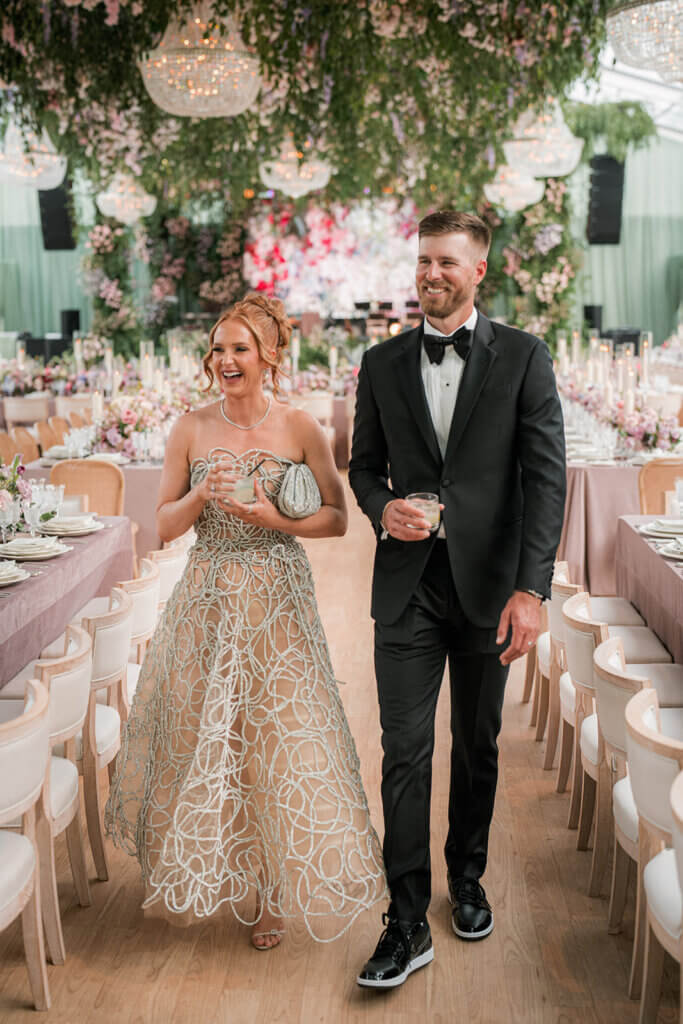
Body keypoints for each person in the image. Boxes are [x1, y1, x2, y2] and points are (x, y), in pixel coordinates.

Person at [105, 292, 386, 950]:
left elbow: (337, 519)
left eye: (239, 348)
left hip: (276, 599)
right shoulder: (190, 427)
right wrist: (203, 490)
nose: (224, 359)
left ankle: (269, 894)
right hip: (206, 595)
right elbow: (163, 526)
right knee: (207, 735)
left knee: (270, 742)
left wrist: (268, 517)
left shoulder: (299, 427)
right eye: (218, 348)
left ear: (269, 358)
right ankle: (202, 865)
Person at [349, 211, 566, 988]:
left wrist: (530, 589)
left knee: (477, 748)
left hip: (489, 586)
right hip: (406, 584)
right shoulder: (378, 362)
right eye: (422, 261)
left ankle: (465, 878)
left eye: (445, 261)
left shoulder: (524, 356)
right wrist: (382, 509)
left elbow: (546, 481)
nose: (429, 273)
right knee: (403, 753)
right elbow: (362, 467)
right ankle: (404, 918)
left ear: (479, 271)